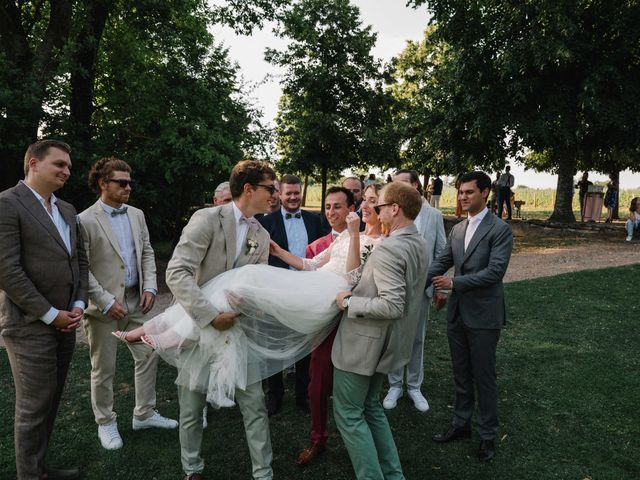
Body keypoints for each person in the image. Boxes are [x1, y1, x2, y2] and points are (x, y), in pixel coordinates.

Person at [167, 160, 277, 480]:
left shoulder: (262, 234)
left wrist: (245, 307)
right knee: (190, 407)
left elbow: (257, 285)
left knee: (255, 405)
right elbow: (177, 273)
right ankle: (192, 469)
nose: (274, 195)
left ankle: (263, 473)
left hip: (238, 331)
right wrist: (210, 316)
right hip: (198, 325)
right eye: (269, 188)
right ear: (248, 189)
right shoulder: (206, 219)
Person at [0, 139, 88, 480]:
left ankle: (40, 469)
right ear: (33, 164)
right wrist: (51, 314)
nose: (67, 171)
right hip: (28, 325)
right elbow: (7, 271)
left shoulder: (67, 209)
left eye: (68, 166)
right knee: (33, 407)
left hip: (67, 320)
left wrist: (78, 305)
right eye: (59, 164)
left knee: (50, 402)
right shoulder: (8, 204)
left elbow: (79, 260)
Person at [331, 181, 428, 480]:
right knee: (371, 408)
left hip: (363, 346)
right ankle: (393, 475)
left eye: (381, 205)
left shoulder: (390, 249)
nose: (374, 209)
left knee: (348, 414)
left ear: (395, 209)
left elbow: (392, 305)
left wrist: (349, 302)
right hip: (389, 345)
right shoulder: (419, 242)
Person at [79, 157, 177, 451]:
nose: (128, 188)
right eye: (122, 183)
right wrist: (106, 301)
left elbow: (146, 252)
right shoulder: (84, 220)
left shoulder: (136, 214)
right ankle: (106, 423)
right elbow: (82, 267)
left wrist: (150, 285)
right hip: (102, 310)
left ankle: (144, 414)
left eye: (130, 182)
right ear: (103, 184)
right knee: (103, 369)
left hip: (137, 302)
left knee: (149, 354)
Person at [428, 171, 513, 463]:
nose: (463, 197)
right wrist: (413, 280)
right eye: (461, 192)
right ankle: (461, 424)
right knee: (461, 372)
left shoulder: (500, 229)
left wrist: (454, 284)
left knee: (483, 376)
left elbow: (495, 272)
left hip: (484, 316)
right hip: (457, 314)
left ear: (486, 193)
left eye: (469, 192)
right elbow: (441, 262)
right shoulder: (457, 229)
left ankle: (487, 435)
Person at [295, 185, 376, 466]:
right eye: (327, 207)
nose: (331, 212)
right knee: (316, 384)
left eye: (338, 206)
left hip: (355, 322)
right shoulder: (317, 245)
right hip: (325, 322)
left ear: (351, 209)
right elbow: (309, 272)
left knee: (354, 390)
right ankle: (318, 438)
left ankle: (362, 435)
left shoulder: (371, 240)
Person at [258, 174, 324, 415]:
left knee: (304, 344)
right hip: (277, 292)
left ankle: (303, 395)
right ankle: (274, 396)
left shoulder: (315, 220)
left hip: (307, 292)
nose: (294, 197)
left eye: (297, 193)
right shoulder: (266, 223)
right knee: (274, 344)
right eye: (289, 193)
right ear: (280, 194)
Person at [383, 169, 446, 413]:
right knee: (394, 336)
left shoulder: (434, 215)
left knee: (417, 338)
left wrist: (439, 286)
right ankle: (394, 385)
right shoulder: (389, 212)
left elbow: (441, 251)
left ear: (417, 185)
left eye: (404, 184)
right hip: (393, 288)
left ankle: (414, 386)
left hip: (422, 288)